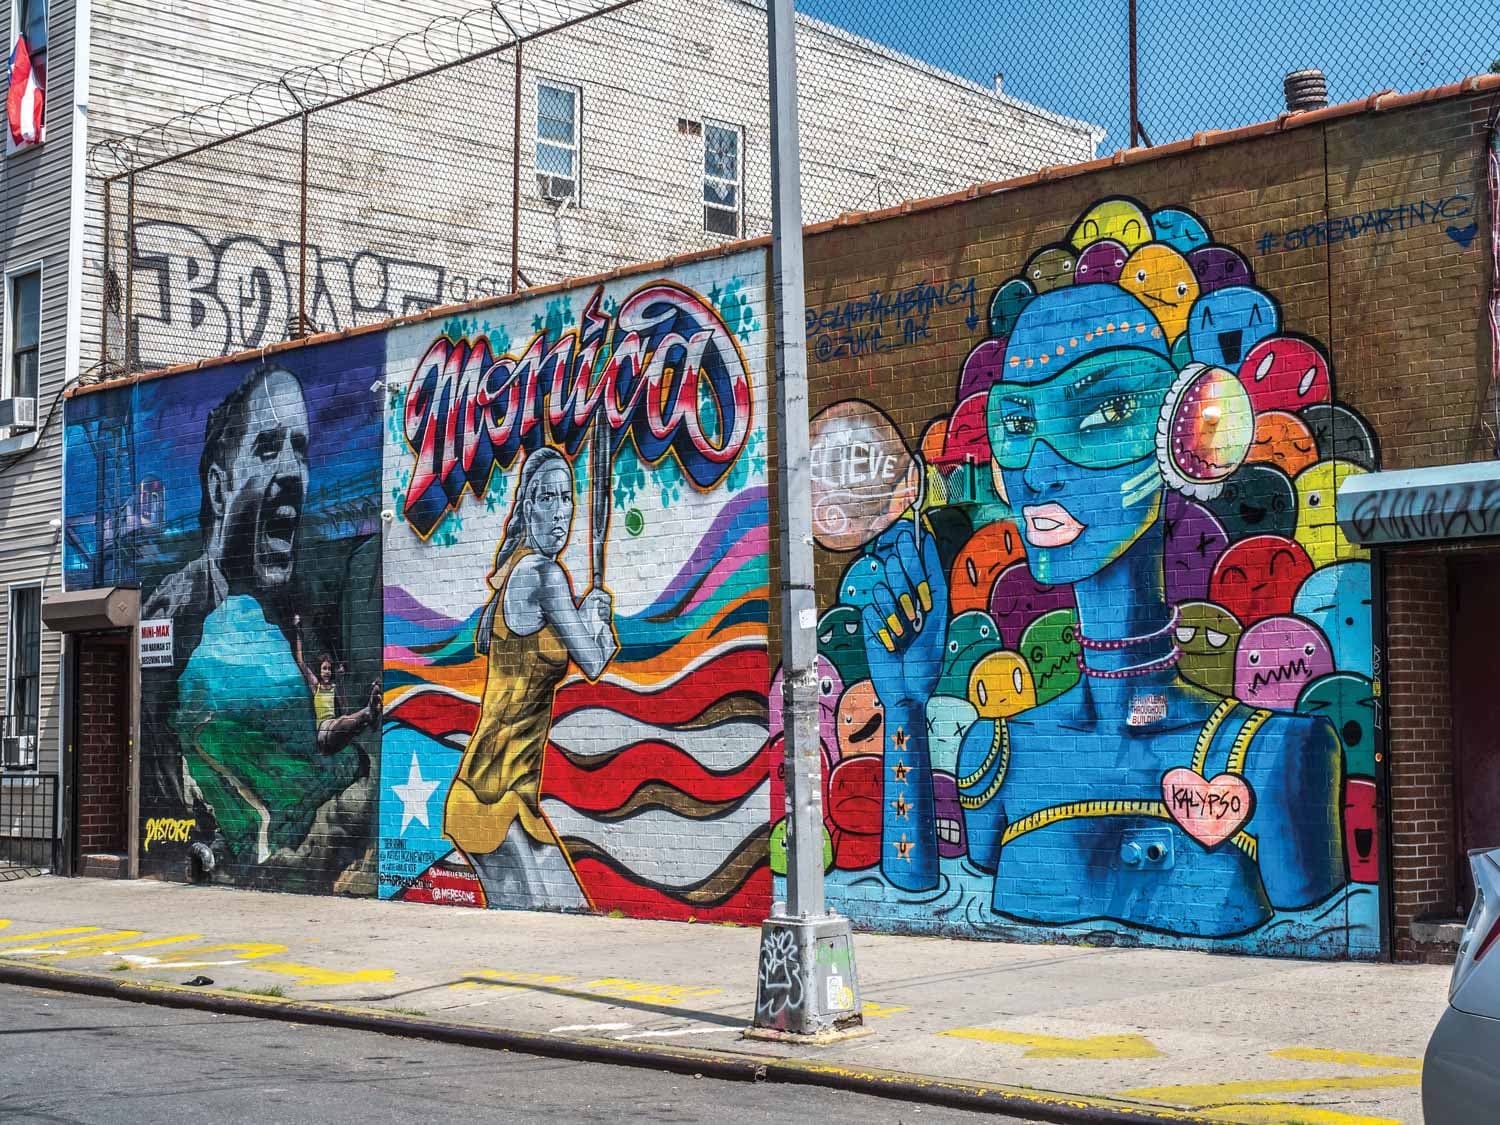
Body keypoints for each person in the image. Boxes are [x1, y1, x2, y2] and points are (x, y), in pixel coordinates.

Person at [852, 286, 1344, 938]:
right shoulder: (995, 754)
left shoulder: (1276, 755)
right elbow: (908, 909)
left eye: (1104, 410)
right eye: (1020, 425)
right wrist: (906, 705)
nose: (1042, 469)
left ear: (1187, 434)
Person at [141, 364, 372, 888]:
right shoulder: (176, 617)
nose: (293, 471)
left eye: (300, 448)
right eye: (267, 447)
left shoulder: (304, 613)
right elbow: (159, 760)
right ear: (220, 490)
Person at [443, 446, 618, 910]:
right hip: (490, 797)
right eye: (547, 498)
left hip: (510, 797)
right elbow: (594, 661)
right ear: (527, 506)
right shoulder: (543, 574)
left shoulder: (519, 572)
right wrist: (598, 618)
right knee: (550, 919)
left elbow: (551, 649)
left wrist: (588, 614)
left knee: (566, 919)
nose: (560, 511)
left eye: (567, 498)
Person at [293, 614, 382, 754]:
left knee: (350, 723)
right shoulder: (316, 686)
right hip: (324, 733)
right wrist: (298, 631)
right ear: (320, 671)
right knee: (342, 721)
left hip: (335, 737)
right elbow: (300, 661)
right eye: (324, 669)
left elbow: (345, 709)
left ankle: (370, 716)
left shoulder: (334, 688)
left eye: (329, 669)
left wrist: (340, 681)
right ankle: (369, 712)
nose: (327, 672)